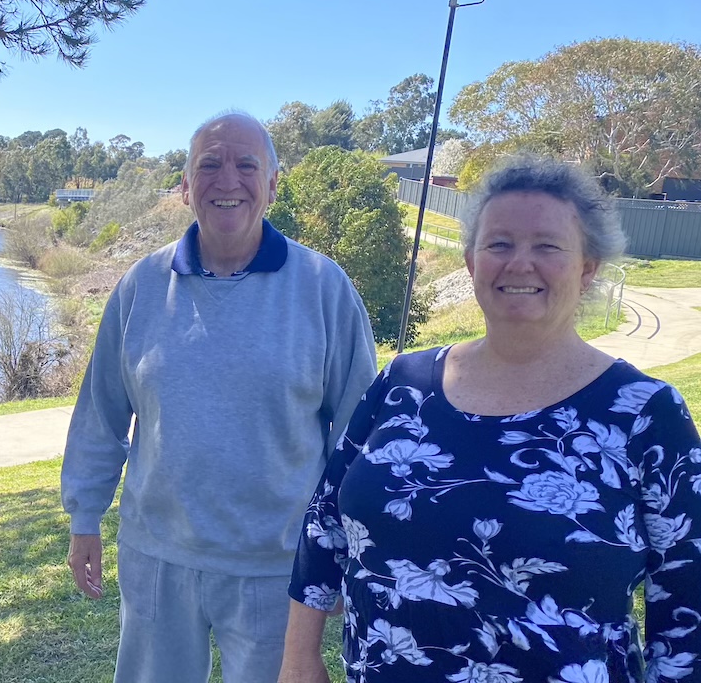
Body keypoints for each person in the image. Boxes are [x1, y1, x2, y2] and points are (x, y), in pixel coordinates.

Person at [280, 155, 701, 683]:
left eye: (547, 245)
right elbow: (324, 524)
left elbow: (687, 604)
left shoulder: (644, 413)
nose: (520, 263)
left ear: (587, 266)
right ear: (472, 261)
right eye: (499, 244)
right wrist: (299, 661)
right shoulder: (402, 383)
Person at [61, 111, 378, 683]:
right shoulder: (141, 286)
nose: (226, 179)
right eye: (209, 165)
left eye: (246, 164)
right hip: (157, 557)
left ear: (274, 184)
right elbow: (100, 414)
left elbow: (355, 440)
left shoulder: (325, 289)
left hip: (277, 568)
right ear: (186, 187)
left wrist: (341, 556)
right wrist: (85, 517)